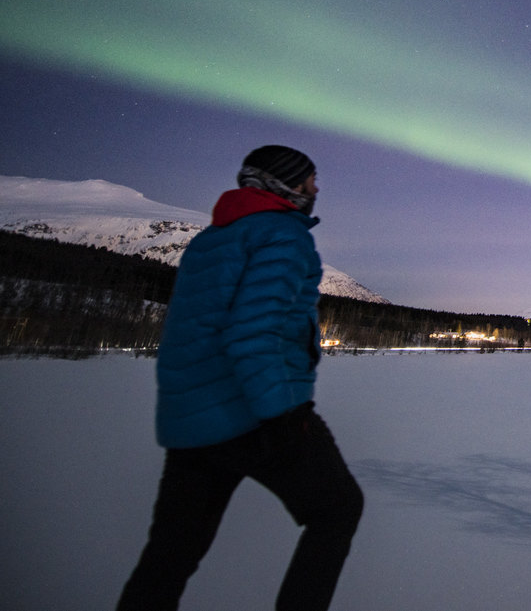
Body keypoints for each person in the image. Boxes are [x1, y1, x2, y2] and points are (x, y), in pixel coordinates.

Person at [117, 145, 363, 611]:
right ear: (284, 184)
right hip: (253, 414)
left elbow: (195, 332)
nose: (316, 190)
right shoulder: (283, 236)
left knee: (170, 557)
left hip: (190, 423)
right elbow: (254, 331)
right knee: (337, 510)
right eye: (309, 180)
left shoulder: (211, 239)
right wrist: (284, 415)